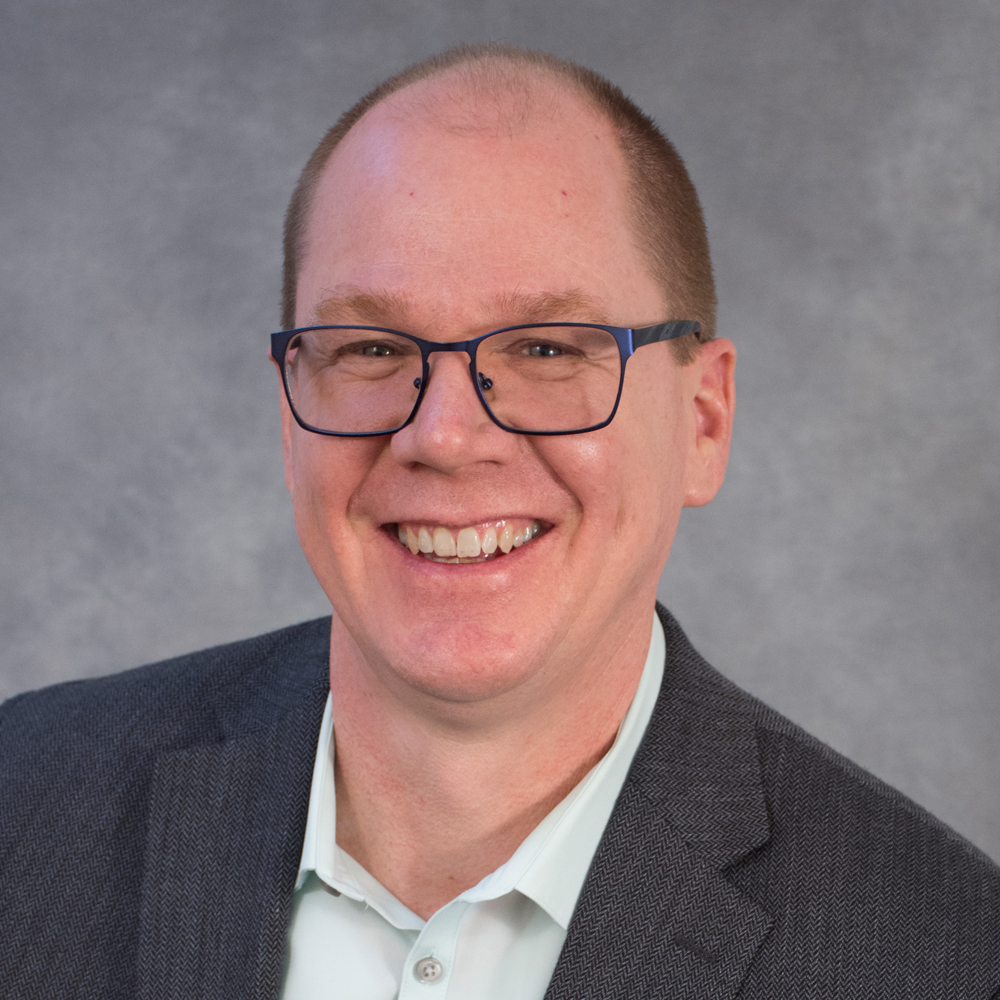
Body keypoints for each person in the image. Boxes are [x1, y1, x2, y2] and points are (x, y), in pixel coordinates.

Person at [2, 44, 998, 1000]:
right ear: (287, 406)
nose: (444, 435)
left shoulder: (943, 955)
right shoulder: (25, 805)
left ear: (703, 420)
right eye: (369, 348)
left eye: (548, 349)